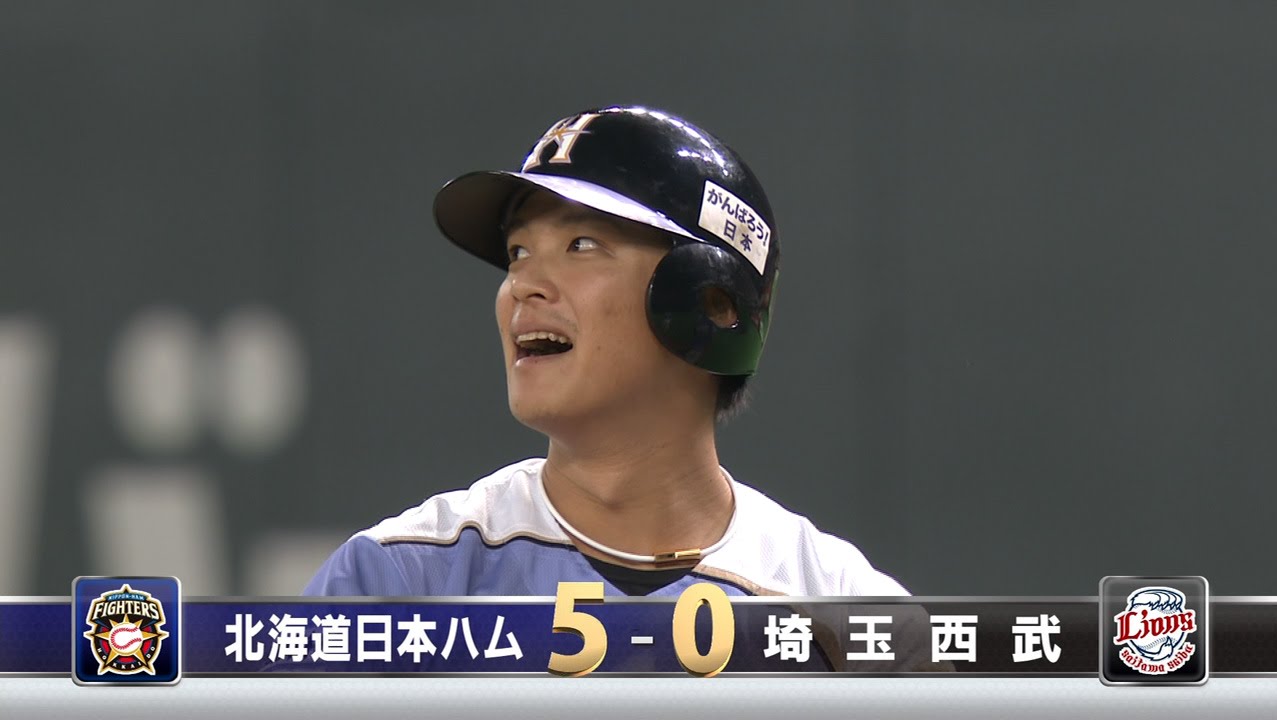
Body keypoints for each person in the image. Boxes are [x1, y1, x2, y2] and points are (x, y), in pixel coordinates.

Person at [304, 106, 908, 602]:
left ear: (713, 301)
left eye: (582, 243)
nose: (523, 285)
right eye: (517, 252)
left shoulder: (840, 612)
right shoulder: (398, 583)